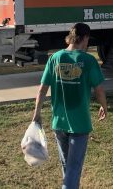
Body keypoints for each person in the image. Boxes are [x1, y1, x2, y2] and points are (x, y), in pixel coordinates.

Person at [32, 23, 107, 189]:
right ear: (85, 38)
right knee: (73, 168)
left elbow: (42, 89)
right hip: (80, 123)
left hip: (59, 123)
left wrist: (37, 114)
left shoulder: (55, 58)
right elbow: (99, 89)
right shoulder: (88, 60)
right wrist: (104, 106)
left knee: (67, 167)